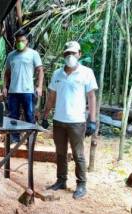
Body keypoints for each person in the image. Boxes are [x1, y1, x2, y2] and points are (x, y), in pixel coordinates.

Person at [42, 41, 98, 199]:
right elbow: (52, 96)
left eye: (73, 53)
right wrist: (46, 114)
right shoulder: (57, 74)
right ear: (63, 55)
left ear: (79, 54)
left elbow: (91, 97)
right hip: (59, 120)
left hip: (77, 121)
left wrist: (92, 120)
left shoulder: (86, 73)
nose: (70, 56)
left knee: (78, 154)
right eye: (67, 53)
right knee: (60, 153)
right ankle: (61, 181)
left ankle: (81, 185)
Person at [2, 29, 44, 143]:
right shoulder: (11, 55)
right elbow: (7, 73)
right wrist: (4, 87)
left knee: (29, 115)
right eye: (17, 41)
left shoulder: (33, 54)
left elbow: (40, 70)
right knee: (13, 116)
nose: (20, 43)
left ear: (27, 41)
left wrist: (39, 87)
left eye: (22, 40)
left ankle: (30, 139)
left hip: (27, 90)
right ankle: (14, 139)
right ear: (15, 42)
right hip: (13, 91)